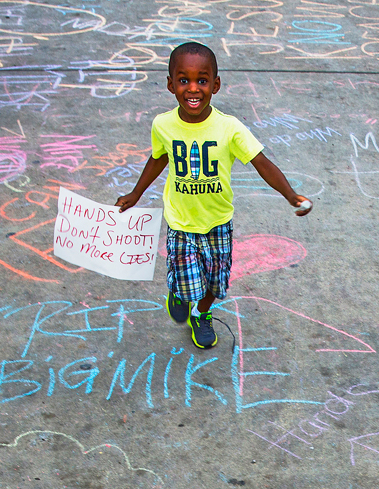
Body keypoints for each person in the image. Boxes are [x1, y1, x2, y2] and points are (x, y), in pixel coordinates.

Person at [116, 41, 311, 349]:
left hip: (218, 221)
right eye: (184, 80)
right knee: (187, 279)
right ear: (170, 84)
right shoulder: (163, 125)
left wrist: (290, 195)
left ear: (215, 85)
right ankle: (179, 292)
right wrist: (135, 193)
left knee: (215, 284)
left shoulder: (228, 128)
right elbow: (158, 158)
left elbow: (261, 161)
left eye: (202, 80)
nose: (193, 89)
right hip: (181, 221)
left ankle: (201, 314)